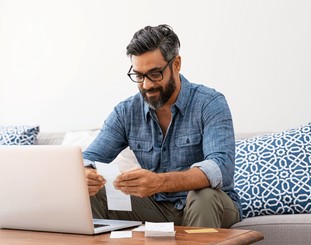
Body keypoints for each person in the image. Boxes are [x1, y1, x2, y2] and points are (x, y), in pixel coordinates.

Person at [83, 24, 241, 228]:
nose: (147, 85)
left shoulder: (210, 103)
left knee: (203, 197)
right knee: (93, 194)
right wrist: (85, 174)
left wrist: (160, 182)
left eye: (155, 73)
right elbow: (88, 158)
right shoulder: (126, 112)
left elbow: (221, 167)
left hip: (212, 206)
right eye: (139, 76)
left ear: (176, 64)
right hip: (156, 207)